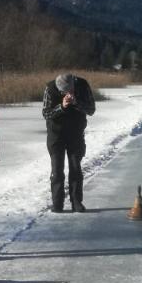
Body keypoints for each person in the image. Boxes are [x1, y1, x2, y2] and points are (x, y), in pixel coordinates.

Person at [41, 72, 96, 213]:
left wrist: (76, 102)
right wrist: (62, 106)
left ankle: (76, 202)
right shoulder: (50, 88)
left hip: (76, 133)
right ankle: (57, 204)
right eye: (64, 92)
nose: (68, 94)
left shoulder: (82, 85)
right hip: (56, 135)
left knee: (75, 168)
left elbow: (91, 109)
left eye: (70, 91)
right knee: (57, 170)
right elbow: (46, 113)